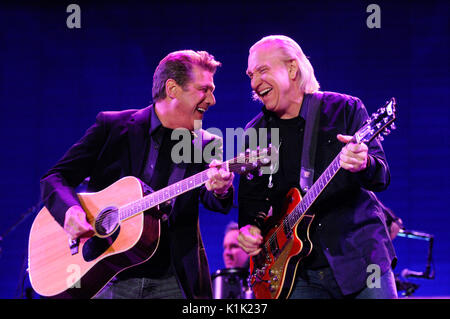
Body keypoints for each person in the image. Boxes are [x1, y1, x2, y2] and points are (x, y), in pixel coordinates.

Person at [40, 50, 235, 299]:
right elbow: (55, 177)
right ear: (173, 89)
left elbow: (215, 201)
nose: (212, 100)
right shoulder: (113, 127)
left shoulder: (206, 144)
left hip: (171, 280)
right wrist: (70, 211)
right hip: (107, 275)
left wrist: (221, 188)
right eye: (204, 89)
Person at [237, 35, 397, 299]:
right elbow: (251, 199)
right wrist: (248, 229)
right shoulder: (255, 132)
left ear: (291, 68)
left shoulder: (345, 109)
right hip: (297, 272)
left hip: (360, 259)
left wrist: (363, 163)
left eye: (263, 70)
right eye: (250, 75)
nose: (254, 83)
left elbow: (381, 177)